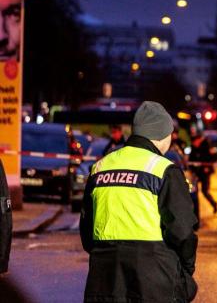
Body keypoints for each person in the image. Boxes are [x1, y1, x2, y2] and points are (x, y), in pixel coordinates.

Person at [80, 101, 199, 302]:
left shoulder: (101, 166)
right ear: (161, 135)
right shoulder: (164, 170)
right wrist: (185, 269)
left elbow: (86, 228)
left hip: (105, 273)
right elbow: (183, 230)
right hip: (153, 275)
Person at [189, 126, 217, 214]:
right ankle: (194, 212)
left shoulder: (207, 145)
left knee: (205, 191)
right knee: (194, 192)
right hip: (196, 172)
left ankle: (214, 204)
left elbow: (214, 158)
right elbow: (191, 158)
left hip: (205, 172)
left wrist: (207, 167)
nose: (194, 143)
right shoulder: (193, 146)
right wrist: (191, 168)